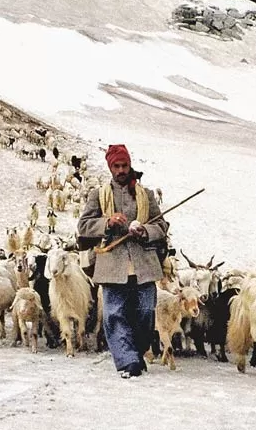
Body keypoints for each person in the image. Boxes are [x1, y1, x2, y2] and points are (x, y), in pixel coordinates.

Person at [77, 144, 168, 378]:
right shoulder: (98, 195)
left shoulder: (145, 194)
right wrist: (107, 222)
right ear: (110, 167)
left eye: (124, 165)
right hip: (111, 264)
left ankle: (136, 352)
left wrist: (145, 231)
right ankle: (128, 361)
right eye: (116, 166)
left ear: (130, 165)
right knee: (114, 313)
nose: (120, 170)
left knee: (146, 312)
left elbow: (161, 225)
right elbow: (84, 226)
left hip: (143, 264)